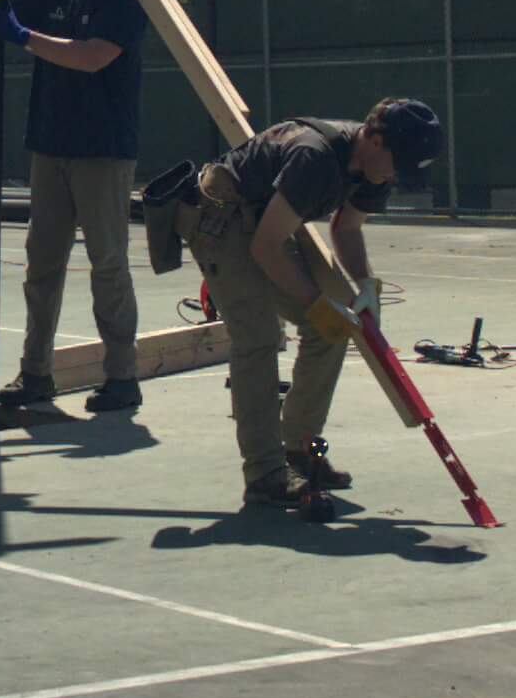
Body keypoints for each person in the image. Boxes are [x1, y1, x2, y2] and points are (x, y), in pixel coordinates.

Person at [173, 99, 444, 516]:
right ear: (373, 138)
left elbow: (346, 227)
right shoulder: (314, 158)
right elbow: (264, 248)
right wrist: (316, 303)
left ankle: (300, 450)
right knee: (259, 337)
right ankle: (265, 474)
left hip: (267, 222)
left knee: (331, 329)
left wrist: (366, 284)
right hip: (222, 219)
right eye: (396, 163)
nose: (394, 175)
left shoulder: (375, 165)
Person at [0, 0, 150, 413]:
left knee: (108, 264)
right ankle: (35, 373)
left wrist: (23, 37)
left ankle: (122, 377)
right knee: (42, 264)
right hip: (51, 146)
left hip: (101, 151)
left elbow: (92, 55)